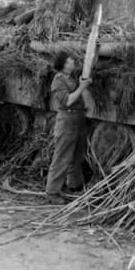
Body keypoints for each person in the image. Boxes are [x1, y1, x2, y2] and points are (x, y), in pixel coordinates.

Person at [45, 51, 92, 205]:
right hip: (66, 120)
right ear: (64, 64)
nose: (73, 63)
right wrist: (82, 86)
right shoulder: (58, 81)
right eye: (70, 61)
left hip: (78, 118)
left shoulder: (71, 78)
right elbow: (68, 100)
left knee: (78, 155)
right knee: (62, 157)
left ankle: (74, 185)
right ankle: (52, 192)